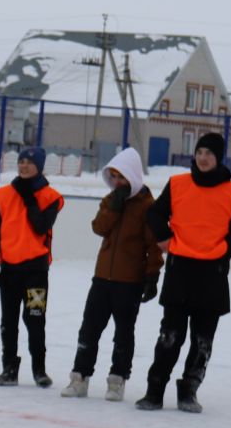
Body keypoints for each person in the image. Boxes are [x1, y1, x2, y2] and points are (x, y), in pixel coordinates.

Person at [135, 132, 231, 413]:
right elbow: (154, 214)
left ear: (218, 158)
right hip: (180, 271)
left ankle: (189, 390)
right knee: (170, 337)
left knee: (202, 341)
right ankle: (154, 390)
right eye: (200, 152)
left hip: (212, 275)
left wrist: (221, 250)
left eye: (209, 153)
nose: (203, 158)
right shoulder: (178, 184)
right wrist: (164, 239)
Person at [63, 146, 162, 401]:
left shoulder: (148, 206)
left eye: (122, 177)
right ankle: (80, 377)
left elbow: (153, 245)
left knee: (123, 333)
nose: (118, 182)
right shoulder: (110, 200)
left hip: (129, 281)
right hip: (102, 278)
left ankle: (117, 380)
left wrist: (152, 277)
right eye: (114, 177)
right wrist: (114, 208)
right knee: (89, 330)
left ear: (133, 176)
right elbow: (98, 227)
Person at [0, 147, 63, 387]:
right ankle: (9, 369)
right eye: (20, 162)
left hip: (36, 272)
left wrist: (29, 199)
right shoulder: (4, 195)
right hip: (9, 271)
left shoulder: (50, 197)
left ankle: (40, 369)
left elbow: (40, 226)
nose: (23, 166)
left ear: (39, 166)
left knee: (35, 318)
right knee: (9, 321)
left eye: (29, 162)